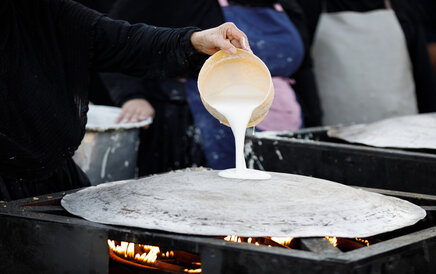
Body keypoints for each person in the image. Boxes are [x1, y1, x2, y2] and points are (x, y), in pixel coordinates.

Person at [0, 0, 250, 201]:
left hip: (50, 175)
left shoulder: (43, 11)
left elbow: (123, 41)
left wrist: (195, 41)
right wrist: (131, 95)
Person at [103, 0, 323, 171]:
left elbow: (304, 68)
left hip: (283, 121)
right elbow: (115, 40)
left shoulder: (290, 5)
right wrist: (131, 95)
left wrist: (314, 131)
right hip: (193, 120)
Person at [297, 0, 436, 125]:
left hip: (401, 134)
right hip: (331, 137)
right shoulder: (309, 6)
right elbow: (301, 76)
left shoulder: (401, 5)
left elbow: (424, 79)